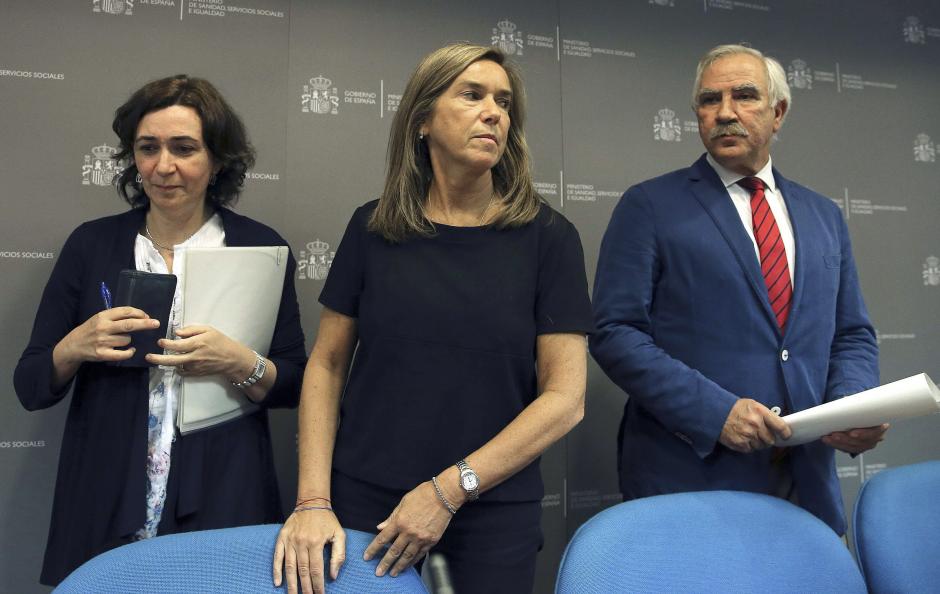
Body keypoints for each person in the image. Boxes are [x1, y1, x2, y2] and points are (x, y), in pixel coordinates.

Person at [273, 43, 591, 594]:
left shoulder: (549, 237)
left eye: (503, 101)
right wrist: (312, 501)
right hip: (364, 503)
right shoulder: (372, 227)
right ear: (422, 119)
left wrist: (449, 490)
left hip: (490, 510)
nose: (494, 112)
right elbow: (325, 366)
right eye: (472, 95)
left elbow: (565, 399)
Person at [14, 75, 307, 586]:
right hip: (106, 485)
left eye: (184, 148)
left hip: (222, 486)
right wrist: (74, 346)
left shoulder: (261, 248)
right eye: (148, 148)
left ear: (217, 160)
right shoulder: (92, 245)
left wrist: (240, 362)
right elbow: (31, 383)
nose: (163, 166)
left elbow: (295, 384)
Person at [590, 44, 887, 535]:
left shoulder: (823, 216)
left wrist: (851, 408)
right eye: (710, 100)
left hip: (806, 483)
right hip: (690, 478)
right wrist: (715, 412)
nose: (725, 112)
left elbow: (852, 334)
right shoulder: (649, 206)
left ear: (778, 112)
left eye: (744, 96)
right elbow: (614, 332)